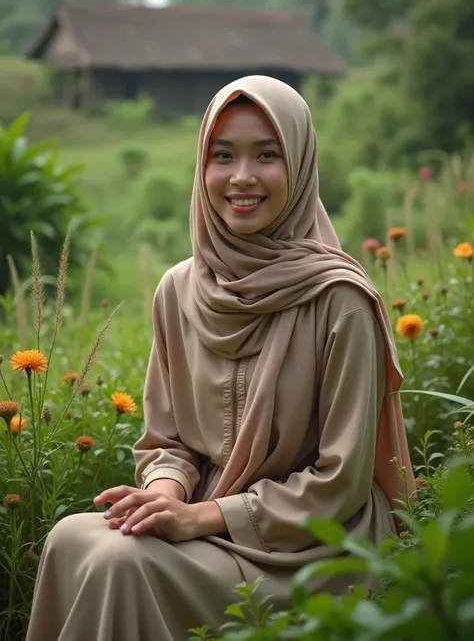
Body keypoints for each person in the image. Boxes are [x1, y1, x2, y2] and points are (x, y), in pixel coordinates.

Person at [25, 76, 415, 641]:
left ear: (302, 165)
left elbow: (341, 482)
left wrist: (202, 519)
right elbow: (168, 442)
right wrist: (159, 502)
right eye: (222, 155)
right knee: (70, 538)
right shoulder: (179, 290)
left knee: (120, 565)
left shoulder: (339, 300)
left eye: (267, 155)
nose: (242, 177)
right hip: (208, 521)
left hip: (313, 547)